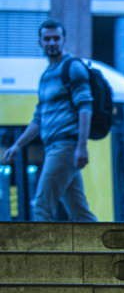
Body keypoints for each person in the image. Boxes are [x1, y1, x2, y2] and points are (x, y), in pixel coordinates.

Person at [2, 20, 97, 222]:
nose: (51, 42)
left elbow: (85, 107)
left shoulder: (73, 68)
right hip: (55, 147)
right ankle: (106, 251)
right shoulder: (46, 76)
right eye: (47, 39)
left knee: (41, 206)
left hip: (66, 146)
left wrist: (82, 147)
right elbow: (39, 118)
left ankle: (45, 253)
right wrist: (18, 145)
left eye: (56, 38)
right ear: (40, 42)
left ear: (64, 40)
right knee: (80, 213)